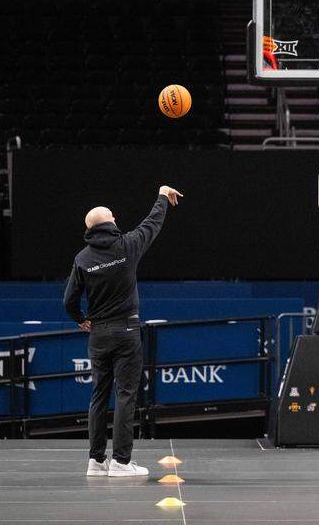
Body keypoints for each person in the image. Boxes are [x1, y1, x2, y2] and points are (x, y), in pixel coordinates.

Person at [64, 185, 182, 477]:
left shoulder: (82, 259)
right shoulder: (128, 246)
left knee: (98, 396)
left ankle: (95, 461)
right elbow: (151, 224)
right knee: (126, 395)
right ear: (111, 221)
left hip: (99, 334)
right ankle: (120, 461)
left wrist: (80, 318)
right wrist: (161, 196)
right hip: (127, 332)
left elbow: (68, 299)